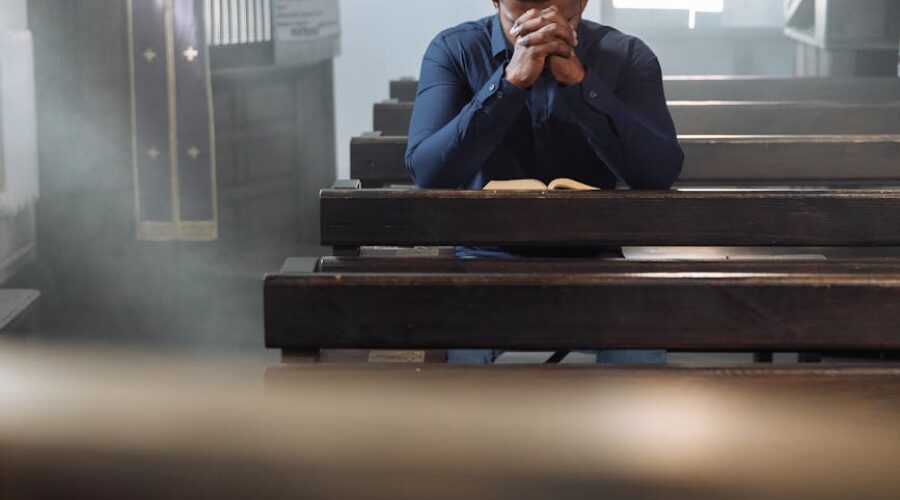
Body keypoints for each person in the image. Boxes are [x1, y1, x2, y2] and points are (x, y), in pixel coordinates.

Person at [405, 0, 684, 365]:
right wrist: (509, 83)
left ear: (583, 3)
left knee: (639, 347)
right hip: (483, 259)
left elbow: (658, 172)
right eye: (522, 19)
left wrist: (582, 82)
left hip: (595, 260)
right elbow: (427, 171)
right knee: (453, 352)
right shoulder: (455, 49)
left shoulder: (627, 55)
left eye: (559, 17)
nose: (541, 28)